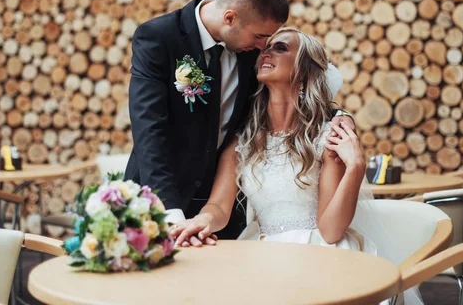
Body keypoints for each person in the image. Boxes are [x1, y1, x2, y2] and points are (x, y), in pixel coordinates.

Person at [170, 27, 423, 304]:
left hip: (322, 257)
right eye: (267, 47)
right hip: (263, 253)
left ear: (303, 69)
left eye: (281, 48)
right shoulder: (242, 141)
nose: (266, 52)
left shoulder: (328, 136)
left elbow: (330, 231)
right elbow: (219, 206)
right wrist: (202, 220)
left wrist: (356, 167)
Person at [125, 0, 353, 239]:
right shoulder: (159, 37)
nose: (264, 47)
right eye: (260, 37)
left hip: (220, 210)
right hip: (157, 200)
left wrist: (341, 117)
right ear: (230, 18)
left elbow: (298, 90)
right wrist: (170, 216)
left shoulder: (251, 53)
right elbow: (149, 133)